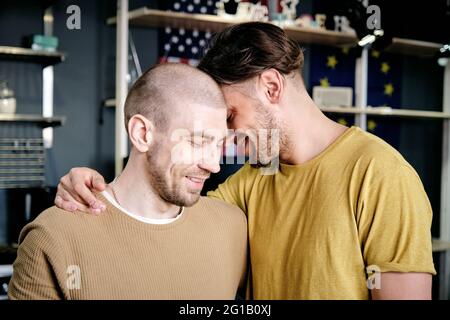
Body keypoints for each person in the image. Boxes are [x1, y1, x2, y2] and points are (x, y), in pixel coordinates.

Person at [54, 22, 435, 300]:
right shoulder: (254, 179)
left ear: (271, 87)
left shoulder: (380, 174)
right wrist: (98, 188)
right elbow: (165, 206)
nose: (228, 136)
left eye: (231, 116)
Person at [8, 63, 248, 300]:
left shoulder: (232, 226)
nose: (213, 165)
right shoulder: (53, 238)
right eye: (197, 142)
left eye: (219, 145)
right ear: (142, 134)